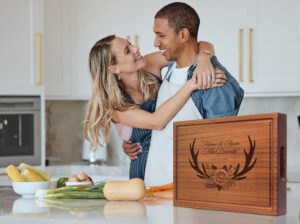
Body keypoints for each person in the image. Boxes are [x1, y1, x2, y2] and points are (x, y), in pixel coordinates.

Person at [122, 2, 244, 186]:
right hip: (155, 187)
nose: (156, 42)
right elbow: (161, 125)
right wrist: (131, 140)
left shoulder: (213, 80)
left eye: (161, 35)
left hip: (188, 194)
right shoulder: (169, 69)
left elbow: (222, 153)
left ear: (183, 35)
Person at [83, 35, 226, 179]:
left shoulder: (149, 63)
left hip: (176, 158)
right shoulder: (114, 105)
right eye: (127, 50)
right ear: (114, 69)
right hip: (145, 169)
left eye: (131, 44)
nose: (136, 48)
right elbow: (156, 122)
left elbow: (193, 47)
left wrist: (203, 59)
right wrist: (193, 83)